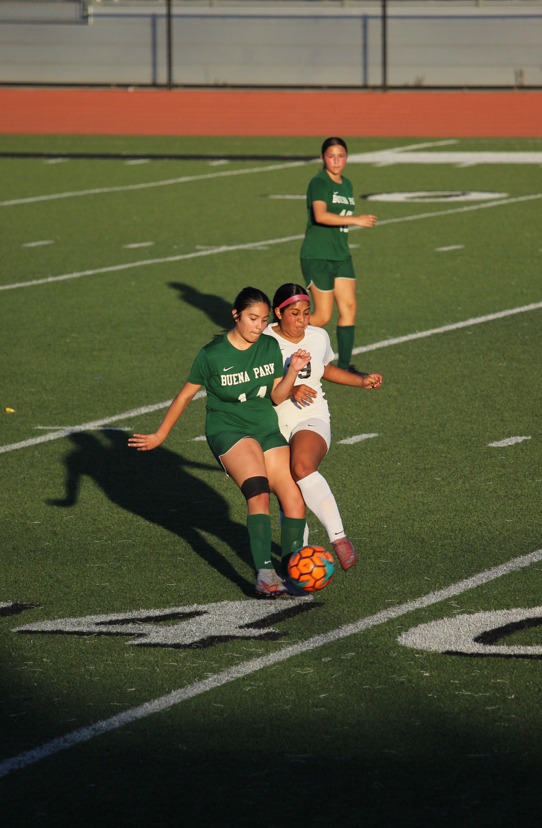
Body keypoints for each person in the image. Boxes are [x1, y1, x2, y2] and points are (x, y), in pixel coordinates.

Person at [129, 287, 311, 599]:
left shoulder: (269, 346)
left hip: (265, 428)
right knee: (258, 492)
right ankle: (265, 575)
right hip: (228, 430)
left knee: (294, 499)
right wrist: (161, 434)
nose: (258, 325)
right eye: (252, 318)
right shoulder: (212, 355)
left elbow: (276, 396)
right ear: (236, 315)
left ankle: (295, 573)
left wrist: (292, 372)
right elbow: (185, 395)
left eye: (264, 320)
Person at [264, 283, 382, 571]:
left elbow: (325, 368)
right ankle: (298, 561)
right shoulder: (263, 340)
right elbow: (258, 381)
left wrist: (360, 379)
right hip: (272, 422)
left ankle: (338, 538)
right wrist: (289, 388)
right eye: (295, 313)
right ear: (278, 313)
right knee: (289, 495)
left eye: (307, 312)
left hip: (310, 416)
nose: (303, 319)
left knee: (302, 466)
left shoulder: (318, 336)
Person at [299, 136, 377, 377]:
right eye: (331, 156)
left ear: (346, 157)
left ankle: (344, 367)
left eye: (340, 156)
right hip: (318, 255)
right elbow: (321, 216)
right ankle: (277, 333)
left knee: (350, 307)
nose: (336, 161)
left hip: (341, 255)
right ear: (323, 158)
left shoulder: (347, 184)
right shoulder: (319, 182)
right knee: (321, 317)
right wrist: (355, 220)